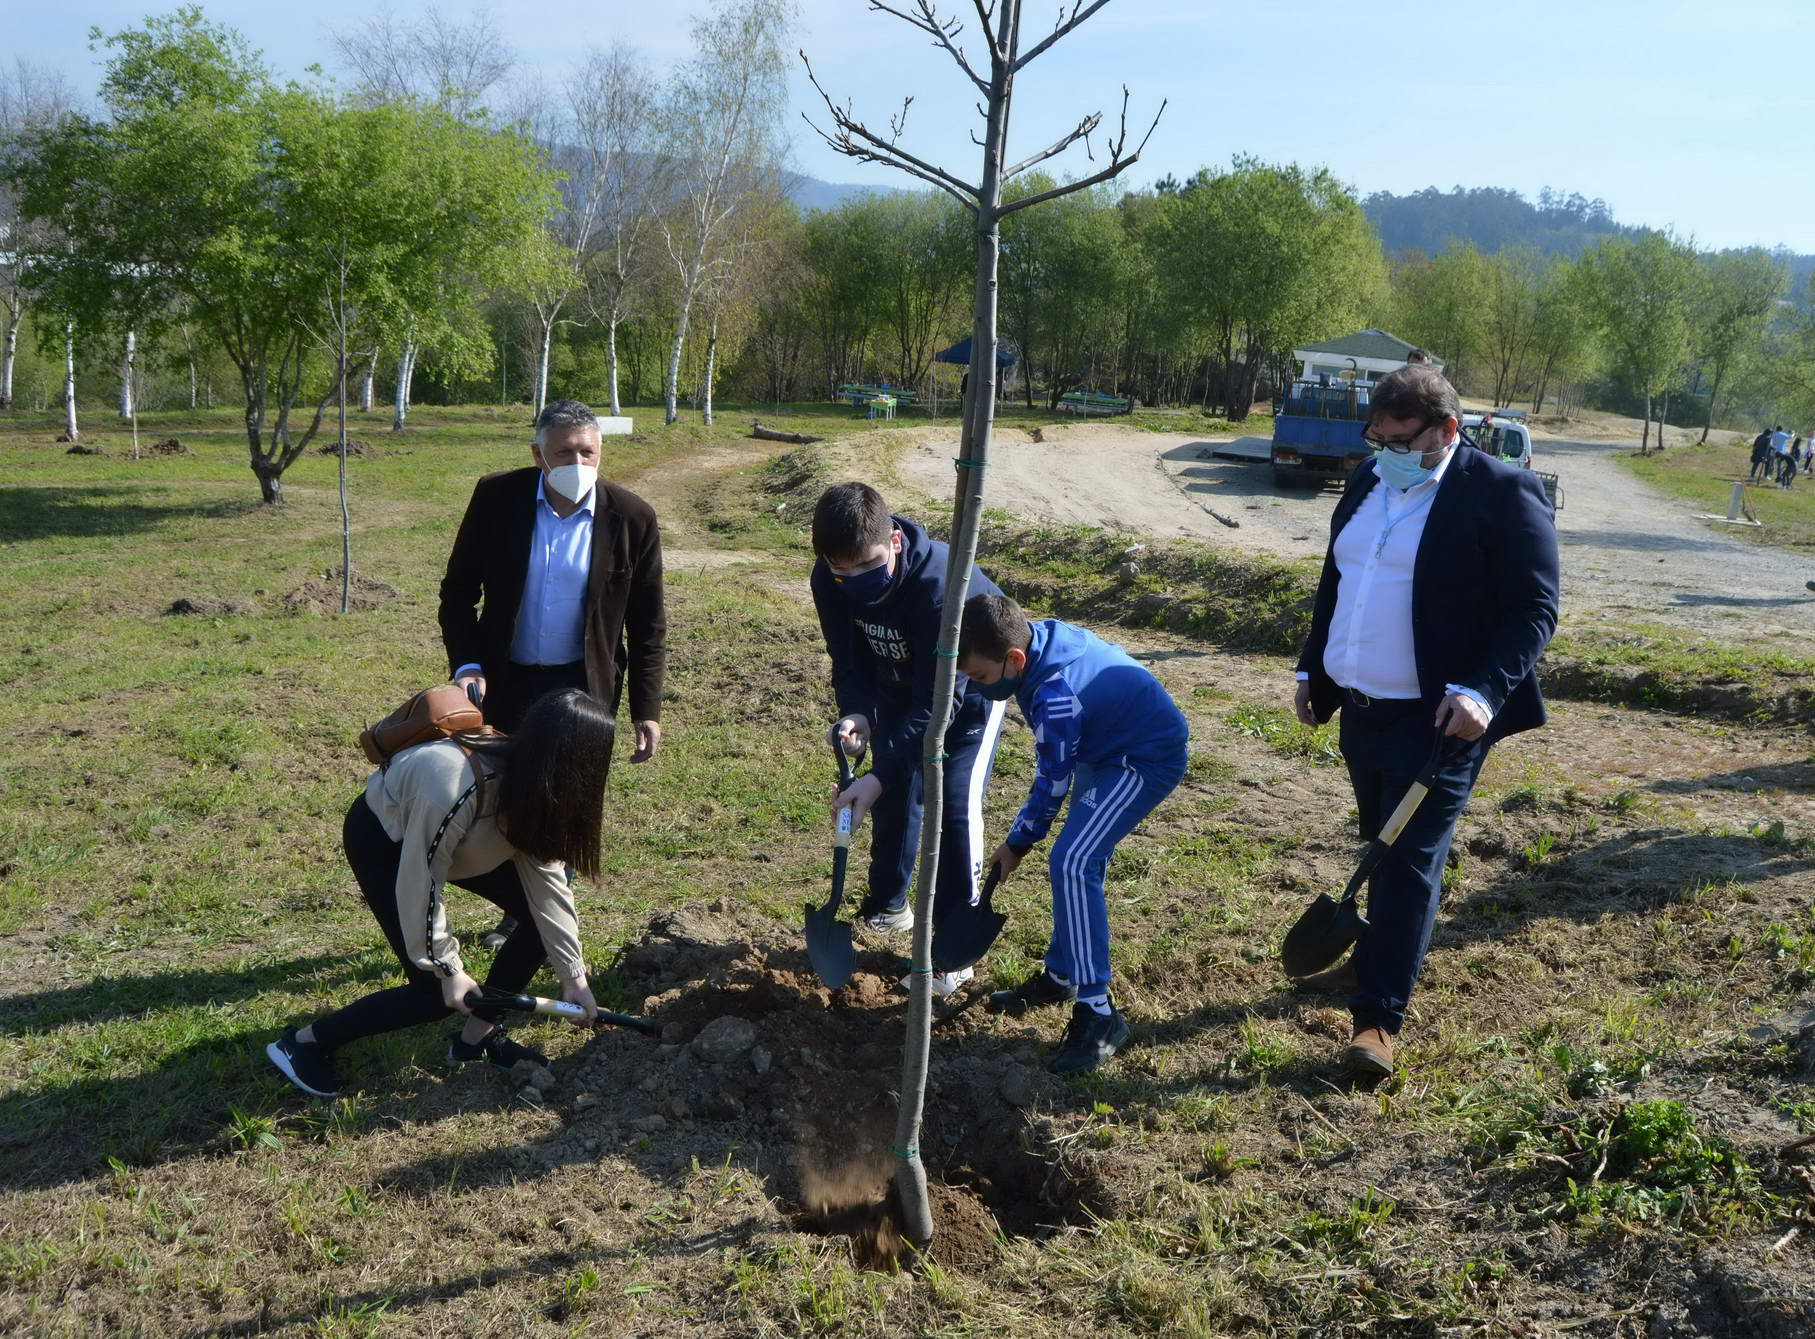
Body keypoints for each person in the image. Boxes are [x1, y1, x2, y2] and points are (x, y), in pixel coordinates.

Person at [1291, 364, 1559, 1079]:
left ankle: (1377, 1017)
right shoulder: (1366, 481)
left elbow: (1534, 609)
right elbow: (1337, 580)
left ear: (1446, 430)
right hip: (1363, 707)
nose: (1384, 449)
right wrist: (1310, 670)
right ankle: (1368, 962)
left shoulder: (1500, 493)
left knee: (1406, 862)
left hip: (1441, 719)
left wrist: (1481, 690)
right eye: (1375, 436)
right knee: (1375, 841)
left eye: (1400, 439)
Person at [267, 690, 613, 1098]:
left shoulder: (538, 786)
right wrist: (448, 968)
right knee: (432, 994)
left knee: (538, 924)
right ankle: (303, 1043)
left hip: (468, 841)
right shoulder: (450, 784)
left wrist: (573, 975)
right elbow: (421, 879)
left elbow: (549, 880)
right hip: (389, 842)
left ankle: (477, 1037)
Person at [439, 398, 666, 946]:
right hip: (503, 678)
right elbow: (458, 593)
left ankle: (545, 920)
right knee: (499, 797)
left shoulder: (632, 518)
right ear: (538, 453)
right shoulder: (498, 498)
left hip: (581, 686)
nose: (578, 461)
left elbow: (649, 624)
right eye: (564, 450)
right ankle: (515, 907)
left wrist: (646, 710)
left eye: (588, 451)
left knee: (564, 803)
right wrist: (468, 663)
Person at [956, 593, 1189, 1074]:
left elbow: (1052, 782)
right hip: (1102, 746)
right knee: (1077, 856)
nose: (972, 685)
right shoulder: (1035, 638)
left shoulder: (1056, 695)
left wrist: (1018, 841)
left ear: (1014, 659)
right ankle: (1062, 974)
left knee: (1075, 859)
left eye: (978, 676)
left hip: (1140, 760)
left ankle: (1099, 1015)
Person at [810, 483, 1006, 997]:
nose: (854, 583)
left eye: (866, 567)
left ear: (894, 541)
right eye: (841, 571)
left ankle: (954, 954)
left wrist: (876, 775)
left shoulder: (941, 590)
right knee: (895, 794)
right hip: (897, 686)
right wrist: (856, 712)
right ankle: (890, 907)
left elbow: (939, 706)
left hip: (968, 697)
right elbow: (848, 658)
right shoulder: (830, 575)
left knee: (954, 811)